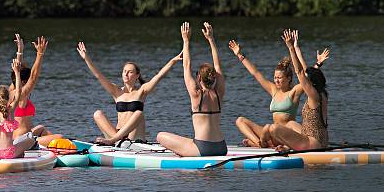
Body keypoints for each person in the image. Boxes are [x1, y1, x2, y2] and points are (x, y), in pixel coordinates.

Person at [76, 41, 182, 145]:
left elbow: (159, 76)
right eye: (124, 71)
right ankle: (115, 140)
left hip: (134, 136)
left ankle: (112, 141)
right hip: (117, 134)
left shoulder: (142, 90)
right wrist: (86, 59)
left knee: (139, 113)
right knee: (97, 114)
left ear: (137, 76)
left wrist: (172, 61)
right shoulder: (116, 91)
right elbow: (98, 75)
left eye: (130, 72)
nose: (126, 74)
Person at [230, 38, 330, 147]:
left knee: (278, 126)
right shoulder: (273, 90)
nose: (276, 80)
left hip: (287, 133)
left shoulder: (295, 91)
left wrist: (318, 64)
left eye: (279, 77)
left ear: (288, 78)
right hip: (272, 131)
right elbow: (256, 73)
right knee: (240, 121)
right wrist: (240, 55)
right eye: (275, 77)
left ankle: (262, 143)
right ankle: (259, 144)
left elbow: (306, 78)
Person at [157, 22, 227, 156]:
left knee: (160, 136)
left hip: (203, 149)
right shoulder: (219, 93)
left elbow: (186, 65)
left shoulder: (196, 95)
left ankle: (186, 151)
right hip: (222, 147)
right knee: (189, 140)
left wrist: (186, 40)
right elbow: (218, 66)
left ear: (199, 78)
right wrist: (211, 39)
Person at [262, 30, 329, 150]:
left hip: (313, 143)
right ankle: (287, 146)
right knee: (291, 124)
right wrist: (297, 47)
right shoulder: (322, 93)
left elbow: (300, 72)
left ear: (311, 83)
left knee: (273, 128)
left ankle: (285, 147)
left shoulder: (313, 95)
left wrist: (291, 48)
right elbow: (305, 72)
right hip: (323, 140)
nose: (304, 81)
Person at [0, 56, 36, 159]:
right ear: (8, 97)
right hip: (10, 154)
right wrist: (17, 72)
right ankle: (19, 153)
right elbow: (18, 92)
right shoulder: (11, 110)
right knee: (31, 139)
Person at [10, 34, 62, 146]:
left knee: (41, 128)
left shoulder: (11, 91)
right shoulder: (22, 94)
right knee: (60, 137)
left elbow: (17, 71)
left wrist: (20, 51)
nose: (31, 84)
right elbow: (33, 76)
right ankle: (53, 148)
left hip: (19, 137)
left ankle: (48, 147)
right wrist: (40, 54)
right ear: (24, 82)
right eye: (27, 82)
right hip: (23, 141)